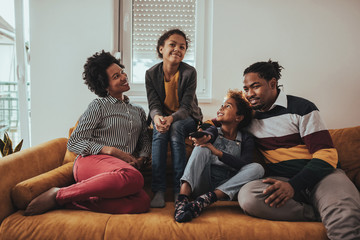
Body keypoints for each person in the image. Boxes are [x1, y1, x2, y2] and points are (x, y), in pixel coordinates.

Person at [238, 60, 360, 240]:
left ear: (272, 83)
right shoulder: (249, 118)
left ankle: (331, 210)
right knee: (248, 197)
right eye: (246, 89)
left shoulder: (302, 108)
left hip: (323, 176)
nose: (249, 94)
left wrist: (294, 186)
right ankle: (320, 212)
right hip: (282, 180)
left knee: (344, 213)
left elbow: (327, 155)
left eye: (255, 87)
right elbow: (223, 122)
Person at [24, 50, 151, 215]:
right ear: (105, 86)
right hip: (91, 162)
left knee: (142, 202)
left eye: (121, 72)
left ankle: (73, 201)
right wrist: (110, 150)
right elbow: (74, 142)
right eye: (116, 77)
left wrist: (142, 158)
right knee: (133, 177)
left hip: (120, 173)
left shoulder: (139, 111)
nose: (123, 77)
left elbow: (144, 140)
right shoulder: (98, 106)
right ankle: (59, 194)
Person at [174, 89, 264, 222]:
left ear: (238, 117)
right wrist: (203, 137)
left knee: (257, 168)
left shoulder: (246, 138)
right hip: (204, 182)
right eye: (222, 105)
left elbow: (245, 164)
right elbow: (209, 134)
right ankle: (182, 201)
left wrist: (218, 153)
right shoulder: (213, 131)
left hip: (226, 187)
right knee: (203, 147)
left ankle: (206, 200)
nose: (221, 108)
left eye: (228, 106)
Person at [145, 29, 203, 208]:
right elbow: (153, 104)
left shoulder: (189, 72)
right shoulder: (151, 74)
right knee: (159, 132)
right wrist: (156, 118)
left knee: (176, 128)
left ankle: (180, 190)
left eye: (182, 46)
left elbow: (186, 107)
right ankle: (159, 190)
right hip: (163, 118)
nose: (177, 49)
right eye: (172, 44)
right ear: (161, 48)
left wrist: (171, 119)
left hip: (187, 118)